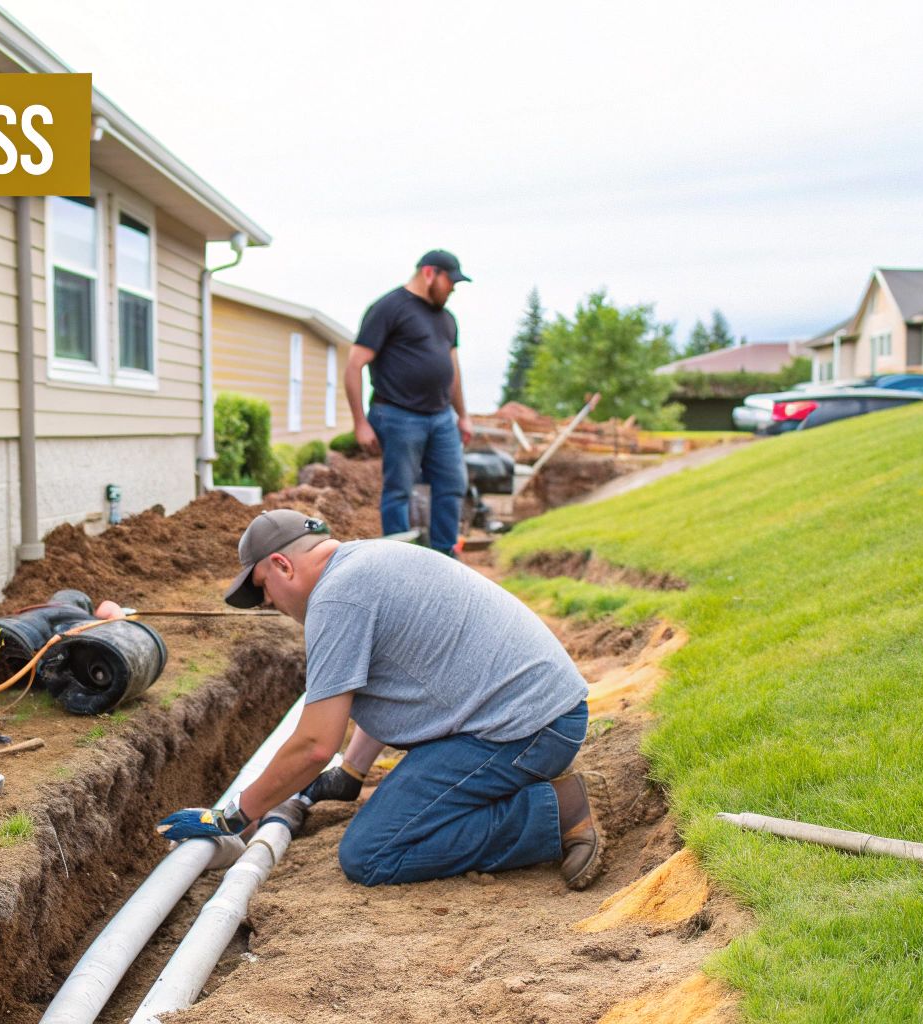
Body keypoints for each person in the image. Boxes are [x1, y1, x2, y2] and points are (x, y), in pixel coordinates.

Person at [157, 510, 604, 890]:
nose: (268, 602)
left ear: (282, 564)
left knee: (372, 853)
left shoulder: (338, 599)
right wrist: (353, 770)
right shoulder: (365, 561)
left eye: (263, 588)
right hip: (534, 712)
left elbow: (314, 744)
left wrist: (234, 816)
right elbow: (394, 678)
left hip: (525, 728)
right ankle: (518, 791)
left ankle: (554, 812)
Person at [345, 249, 475, 555]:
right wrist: (360, 423)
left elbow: (452, 370)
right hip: (397, 414)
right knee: (399, 491)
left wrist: (463, 415)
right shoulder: (388, 308)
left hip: (441, 417)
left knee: (453, 485)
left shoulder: (447, 319)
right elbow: (354, 365)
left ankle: (445, 558)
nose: (453, 288)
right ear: (430, 273)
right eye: (450, 281)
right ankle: (402, 560)